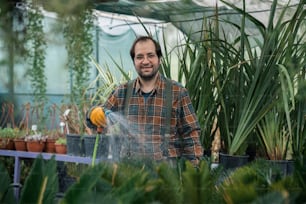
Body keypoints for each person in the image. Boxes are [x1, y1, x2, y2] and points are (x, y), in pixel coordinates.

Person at [87, 36, 203, 166]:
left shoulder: (178, 92)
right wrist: (93, 114)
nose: (145, 61)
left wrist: (193, 172)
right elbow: (96, 120)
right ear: (134, 61)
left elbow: (191, 135)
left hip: (167, 175)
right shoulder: (123, 92)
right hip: (130, 174)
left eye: (150, 55)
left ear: (159, 59)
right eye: (140, 57)